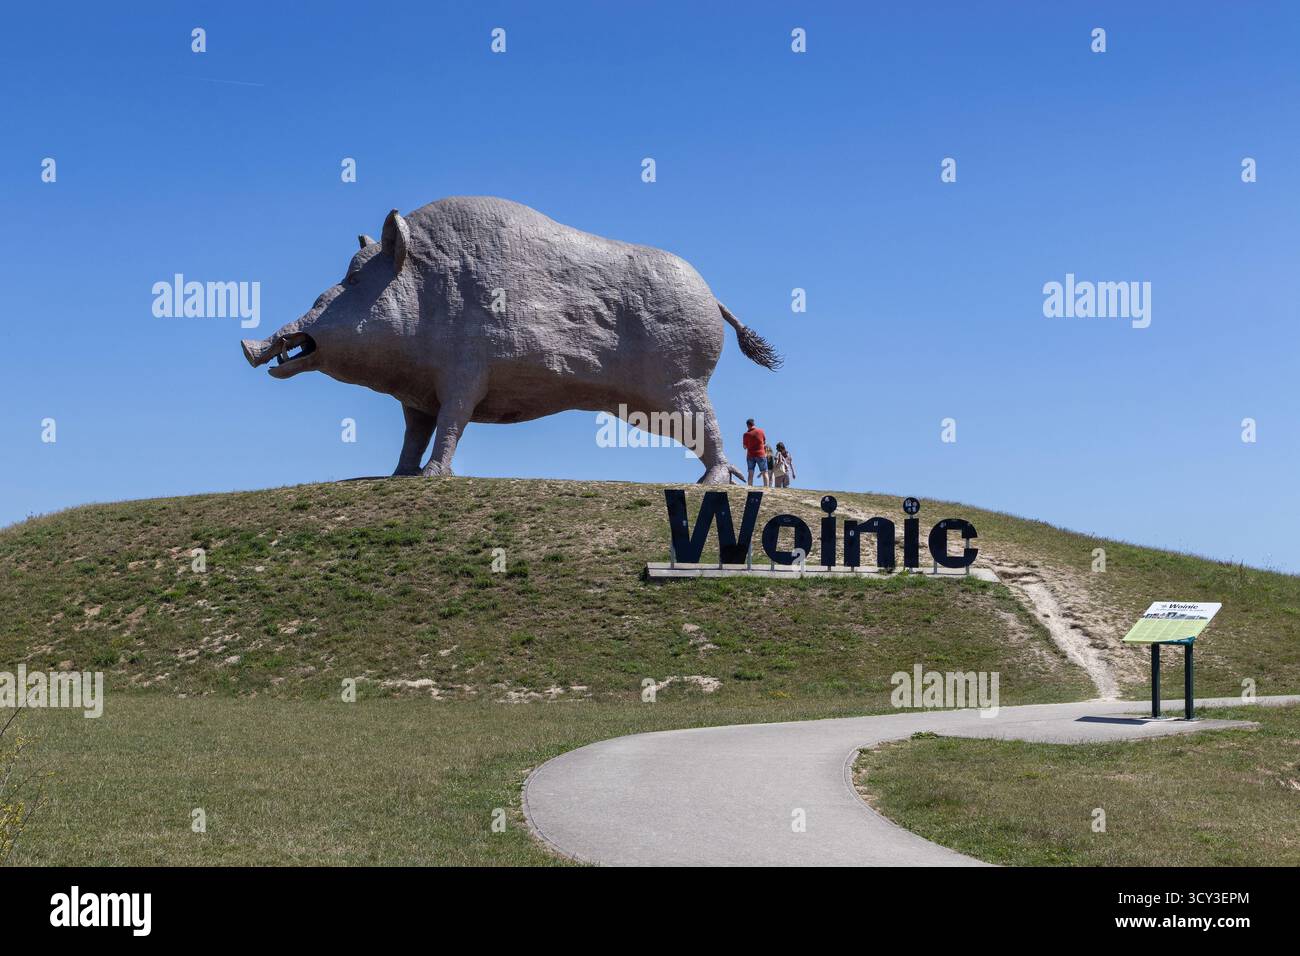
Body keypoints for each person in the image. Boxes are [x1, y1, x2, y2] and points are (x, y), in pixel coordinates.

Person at [742, 418, 770, 487]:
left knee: (750, 473)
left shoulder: (746, 434)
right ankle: (766, 488)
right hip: (760, 454)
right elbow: (764, 442)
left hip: (750, 455)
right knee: (764, 472)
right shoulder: (761, 431)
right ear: (754, 424)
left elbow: (744, 447)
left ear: (748, 425)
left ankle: (750, 488)